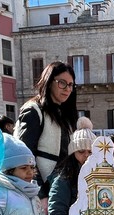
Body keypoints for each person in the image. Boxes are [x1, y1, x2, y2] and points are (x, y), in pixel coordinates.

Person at [14, 61, 77, 195]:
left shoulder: (64, 114)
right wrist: (41, 193)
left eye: (71, 85)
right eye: (62, 83)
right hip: (42, 191)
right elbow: (24, 155)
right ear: (49, 82)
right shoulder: (33, 110)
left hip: (62, 190)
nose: (67, 89)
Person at [47, 128, 96, 215]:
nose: (86, 155)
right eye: (81, 151)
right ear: (73, 153)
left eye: (90, 152)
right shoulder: (64, 178)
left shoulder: (100, 174)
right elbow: (57, 208)